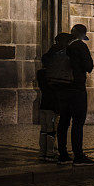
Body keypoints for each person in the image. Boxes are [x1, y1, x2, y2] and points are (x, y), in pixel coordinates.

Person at [56, 24, 94, 165]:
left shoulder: (61, 47)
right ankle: (78, 156)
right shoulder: (80, 46)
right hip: (76, 89)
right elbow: (88, 66)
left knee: (63, 122)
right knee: (78, 122)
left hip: (62, 88)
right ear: (82, 34)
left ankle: (63, 154)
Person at [39, 32, 72, 162]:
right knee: (52, 129)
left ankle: (43, 152)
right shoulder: (55, 70)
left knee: (44, 129)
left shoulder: (42, 71)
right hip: (54, 104)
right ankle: (50, 153)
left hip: (44, 103)